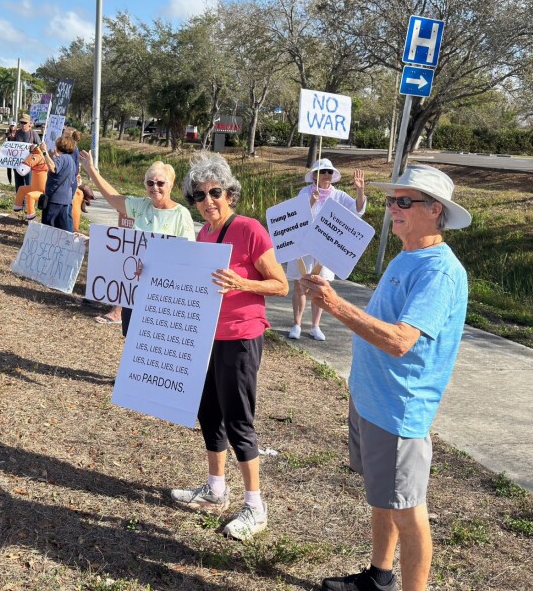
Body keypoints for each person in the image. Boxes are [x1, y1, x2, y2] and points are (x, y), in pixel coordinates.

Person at [299, 165, 471, 591]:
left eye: (404, 201)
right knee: (384, 498)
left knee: (408, 510)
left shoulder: (438, 271)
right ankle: (379, 577)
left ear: (435, 210)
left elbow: (400, 341)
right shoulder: (408, 254)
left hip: (399, 409)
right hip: (372, 400)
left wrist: (336, 306)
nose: (392, 208)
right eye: (391, 200)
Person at [172, 153, 288, 541]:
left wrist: (243, 284)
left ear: (229, 192)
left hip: (241, 337)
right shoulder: (203, 234)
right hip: (207, 336)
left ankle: (255, 506)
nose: (208, 201)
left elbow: (280, 284)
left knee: (238, 419)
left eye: (215, 192)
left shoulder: (250, 229)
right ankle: (215, 489)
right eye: (199, 196)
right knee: (209, 413)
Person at [78, 153, 196, 328]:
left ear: (170, 185)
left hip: (161, 291)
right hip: (133, 287)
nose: (155, 187)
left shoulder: (181, 214)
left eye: (160, 183)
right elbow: (112, 198)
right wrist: (92, 170)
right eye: (150, 183)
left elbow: (188, 255)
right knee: (131, 334)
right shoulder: (141, 205)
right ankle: (119, 311)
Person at [287, 158, 366, 342]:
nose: (327, 175)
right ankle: (297, 324)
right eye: (323, 171)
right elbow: (297, 217)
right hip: (303, 244)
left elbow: (358, 209)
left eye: (330, 172)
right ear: (315, 175)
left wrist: (360, 190)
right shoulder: (304, 192)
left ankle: (315, 326)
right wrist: (311, 203)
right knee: (300, 284)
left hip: (325, 246)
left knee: (319, 285)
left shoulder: (338, 195)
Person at [40, 129, 81, 232]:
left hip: (54, 199)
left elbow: (53, 168)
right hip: (65, 200)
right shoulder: (70, 160)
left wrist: (44, 152)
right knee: (63, 229)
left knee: (48, 228)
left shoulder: (61, 159)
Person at [11, 143, 50, 219]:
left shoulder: (39, 158)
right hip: (34, 187)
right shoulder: (35, 156)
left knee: (30, 196)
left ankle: (31, 216)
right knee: (21, 189)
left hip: (42, 191)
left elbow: (33, 159)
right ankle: (18, 206)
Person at [11, 114, 42, 193]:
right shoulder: (16, 133)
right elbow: (10, 146)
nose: (23, 124)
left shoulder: (33, 134)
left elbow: (40, 148)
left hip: (28, 165)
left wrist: (34, 148)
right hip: (17, 163)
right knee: (18, 185)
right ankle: (20, 203)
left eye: (25, 123)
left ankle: (28, 202)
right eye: (21, 122)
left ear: (29, 123)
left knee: (29, 185)